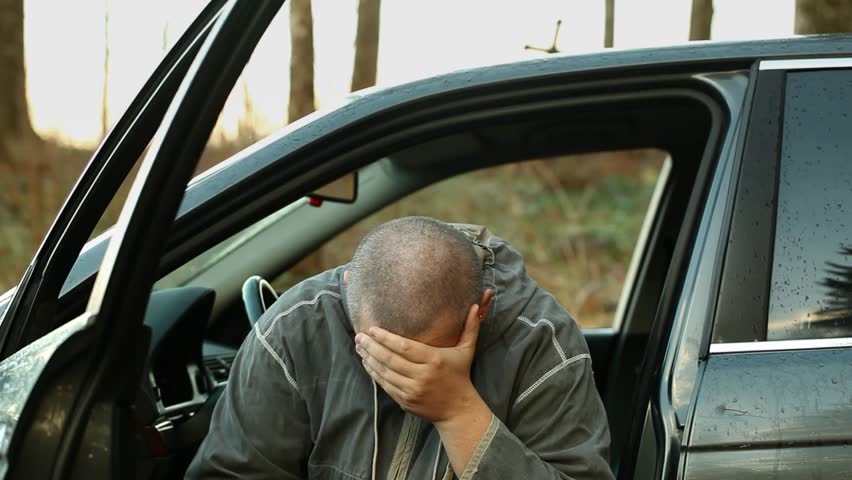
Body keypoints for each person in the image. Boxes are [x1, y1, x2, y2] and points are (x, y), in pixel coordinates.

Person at [186, 216, 613, 480]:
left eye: (425, 355)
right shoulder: (295, 326)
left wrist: (458, 411)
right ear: (349, 290)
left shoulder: (542, 344)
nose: (400, 371)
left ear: (481, 309)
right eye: (375, 348)